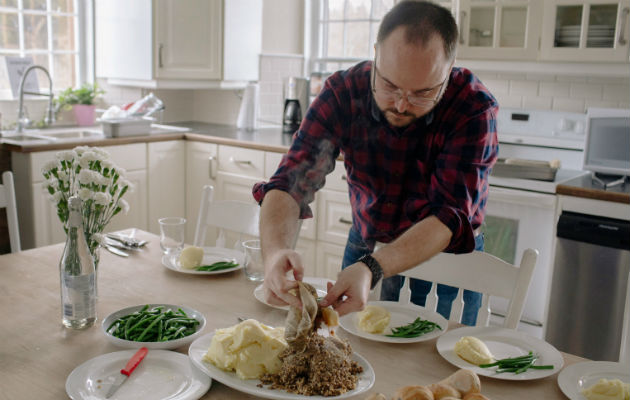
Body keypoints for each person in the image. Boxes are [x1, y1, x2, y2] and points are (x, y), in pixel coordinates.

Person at [252, 0, 498, 325]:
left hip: (445, 263)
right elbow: (290, 182)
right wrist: (273, 256)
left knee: (437, 369)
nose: (401, 104)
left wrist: (374, 267)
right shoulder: (344, 92)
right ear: (375, 54)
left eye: (422, 93)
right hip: (365, 248)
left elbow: (449, 217)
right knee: (352, 356)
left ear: (449, 69)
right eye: (389, 85)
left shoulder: (473, 109)